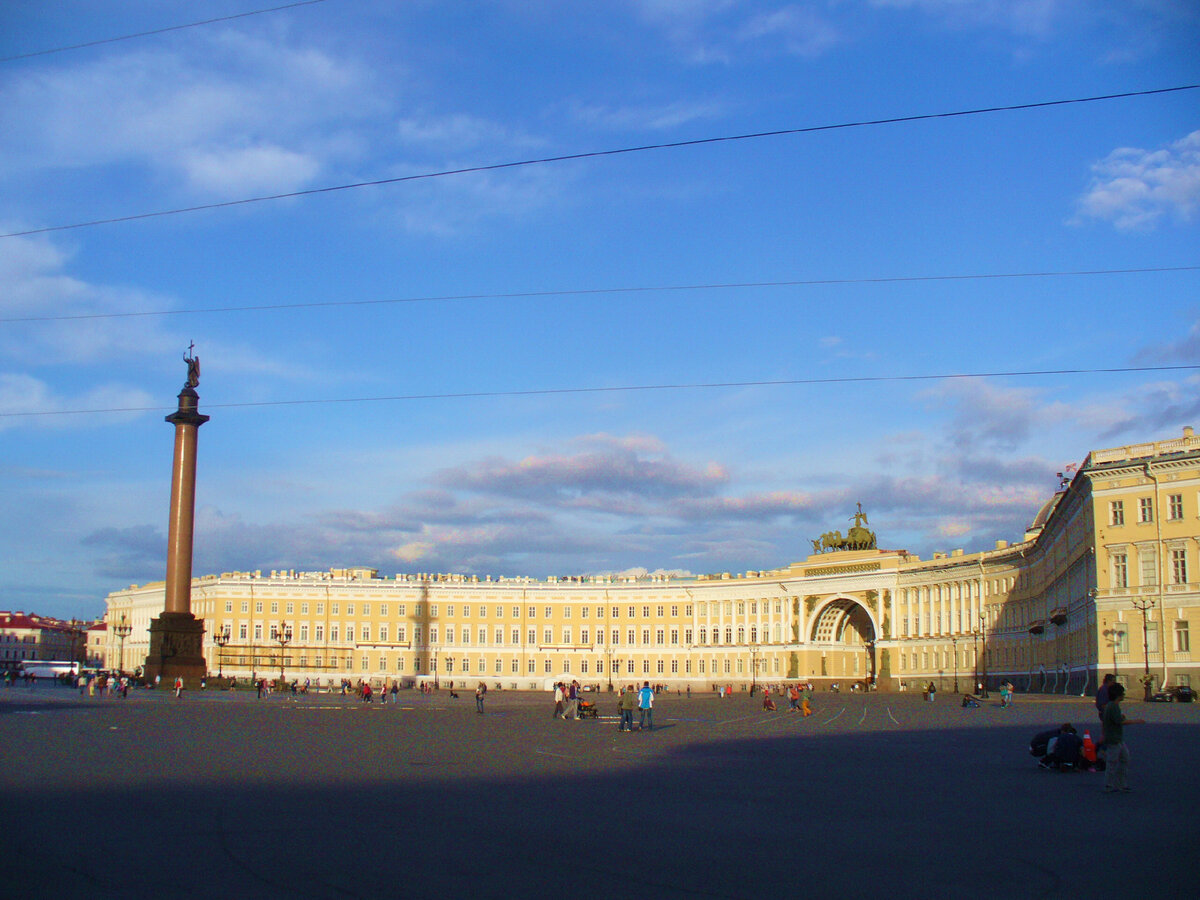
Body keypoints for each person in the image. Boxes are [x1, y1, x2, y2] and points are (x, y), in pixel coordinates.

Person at [1102, 683, 1144, 793]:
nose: (1123, 695)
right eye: (1122, 693)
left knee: (1124, 759)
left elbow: (1115, 720)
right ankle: (1110, 785)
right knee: (1113, 762)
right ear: (1118, 695)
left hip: (1117, 738)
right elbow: (1120, 722)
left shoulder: (1111, 706)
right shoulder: (1113, 706)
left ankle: (1120, 784)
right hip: (1114, 739)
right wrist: (1137, 721)